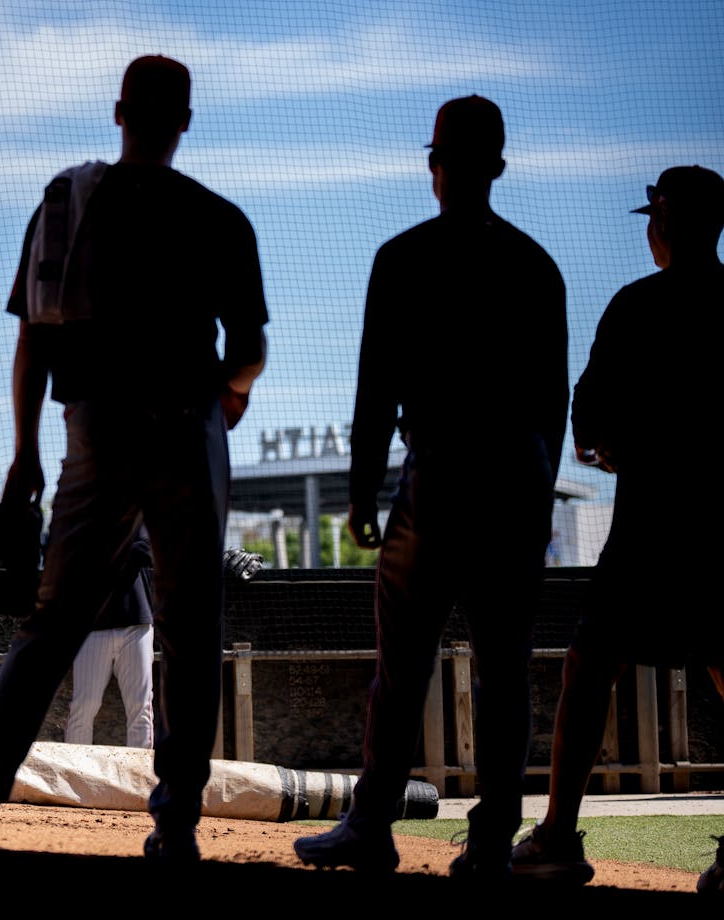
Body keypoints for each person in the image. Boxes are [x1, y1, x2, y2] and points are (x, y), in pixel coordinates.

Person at [0, 55, 268, 862]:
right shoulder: (219, 218)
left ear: (119, 113)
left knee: (51, 626)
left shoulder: (69, 202)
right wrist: (231, 395)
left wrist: (25, 453)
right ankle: (175, 825)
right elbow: (249, 349)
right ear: (185, 122)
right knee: (190, 628)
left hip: (97, 429)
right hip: (188, 428)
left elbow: (33, 341)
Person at [293, 95, 568, 879]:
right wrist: (539, 493)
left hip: (439, 478)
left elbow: (376, 388)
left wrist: (361, 492)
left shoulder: (404, 257)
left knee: (403, 663)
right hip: (515, 481)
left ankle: (372, 823)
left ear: (434, 167)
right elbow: (553, 400)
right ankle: (492, 839)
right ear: (499, 168)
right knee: (503, 668)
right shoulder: (536, 266)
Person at [507, 165, 724, 893]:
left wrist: (615, 446)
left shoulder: (637, 305)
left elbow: (589, 420)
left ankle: (557, 837)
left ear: (661, 223)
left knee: (591, 663)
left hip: (650, 523)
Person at [65, 529, 154, 749]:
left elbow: (145, 551)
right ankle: (76, 768)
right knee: (83, 706)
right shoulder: (85, 516)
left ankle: (139, 771)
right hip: (92, 624)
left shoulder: (137, 514)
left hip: (136, 620)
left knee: (140, 707)